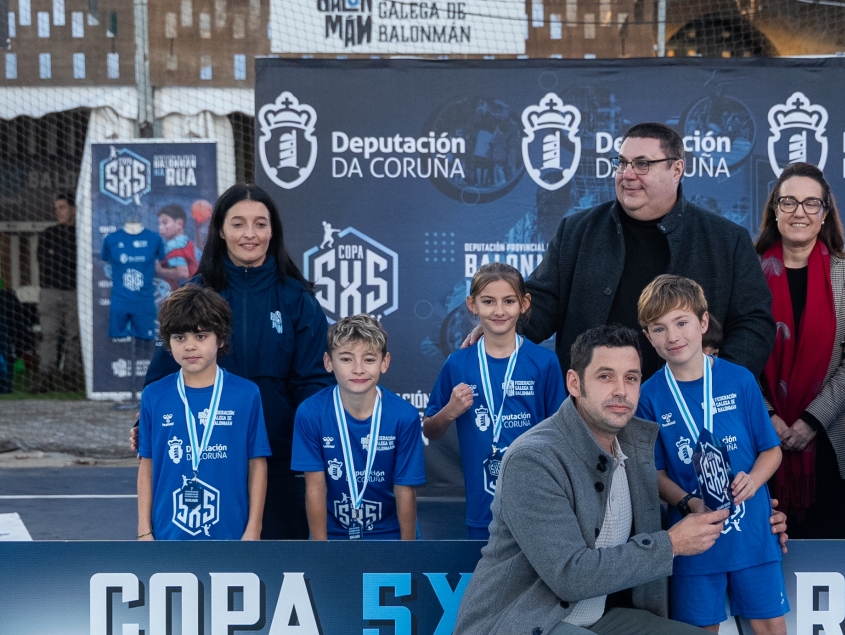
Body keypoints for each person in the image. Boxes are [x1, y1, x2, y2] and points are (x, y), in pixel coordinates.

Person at [447, 324, 739, 635]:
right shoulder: (534, 457)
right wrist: (670, 544)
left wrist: (751, 516)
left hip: (588, 623)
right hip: (515, 626)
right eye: (605, 376)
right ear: (574, 383)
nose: (621, 391)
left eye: (632, 377)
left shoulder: (633, 447)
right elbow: (570, 575)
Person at [636, 275, 832, 635]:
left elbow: (770, 450)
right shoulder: (650, 395)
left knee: (772, 631)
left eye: (682, 322)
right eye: (659, 328)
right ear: (649, 337)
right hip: (695, 538)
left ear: (703, 323)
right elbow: (653, 472)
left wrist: (755, 480)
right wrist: (687, 500)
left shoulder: (739, 379)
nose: (673, 336)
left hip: (751, 536)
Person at [505, 121, 775, 381]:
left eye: (642, 164)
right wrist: (500, 328)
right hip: (591, 403)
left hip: (688, 404)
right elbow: (540, 303)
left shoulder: (727, 240)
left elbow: (754, 323)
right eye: (622, 163)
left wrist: (718, 382)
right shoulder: (576, 231)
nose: (627, 174)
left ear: (676, 170)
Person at [140, 183, 332, 540]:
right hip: (204, 463)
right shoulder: (193, 294)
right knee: (203, 570)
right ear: (220, 230)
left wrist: (307, 438)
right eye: (238, 223)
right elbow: (163, 376)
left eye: (260, 224)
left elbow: (315, 381)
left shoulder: (297, 298)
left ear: (273, 231)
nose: (249, 234)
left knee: (276, 566)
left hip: (278, 461)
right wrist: (145, 423)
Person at [755, 164, 845, 541]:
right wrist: (769, 417)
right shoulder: (749, 271)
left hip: (830, 444)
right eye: (788, 202)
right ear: (775, 210)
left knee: (826, 556)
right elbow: (737, 358)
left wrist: (811, 420)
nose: (799, 212)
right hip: (760, 444)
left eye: (811, 203)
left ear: (825, 214)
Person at [424, 263, 566, 540]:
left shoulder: (544, 362)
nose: (499, 311)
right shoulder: (457, 363)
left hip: (536, 507)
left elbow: (560, 434)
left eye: (509, 301)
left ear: (524, 303)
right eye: (488, 301)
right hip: (482, 509)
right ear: (472, 305)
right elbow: (430, 430)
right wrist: (450, 410)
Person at [135, 287, 269, 542]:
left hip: (232, 534)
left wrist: (254, 528)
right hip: (167, 534)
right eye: (179, 337)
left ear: (220, 338)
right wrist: (144, 530)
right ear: (168, 342)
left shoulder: (246, 394)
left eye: (201, 336)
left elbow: (257, 463)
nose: (190, 346)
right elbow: (147, 465)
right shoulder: (154, 395)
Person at [292, 314, 424, 541]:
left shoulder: (404, 415)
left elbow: (405, 490)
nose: (358, 369)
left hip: (389, 534)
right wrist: (320, 550)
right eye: (346, 359)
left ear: (385, 362)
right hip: (332, 534)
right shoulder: (311, 412)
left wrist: (408, 551)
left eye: (369, 359)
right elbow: (315, 488)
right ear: (328, 362)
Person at [36, 193, 82, 390]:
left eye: (62, 207)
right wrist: (65, 260)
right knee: (49, 334)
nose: (58, 212)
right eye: (56, 209)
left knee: (74, 335)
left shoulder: (82, 234)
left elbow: (75, 261)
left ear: (73, 209)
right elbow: (43, 260)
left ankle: (70, 375)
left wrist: (60, 259)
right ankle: (45, 375)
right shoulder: (48, 233)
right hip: (50, 291)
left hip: (74, 291)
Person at [154, 204, 200, 297]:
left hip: (183, 295)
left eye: (165, 223)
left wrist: (159, 270)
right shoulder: (187, 242)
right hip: (195, 293)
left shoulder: (174, 245)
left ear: (179, 224)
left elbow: (183, 273)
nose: (160, 227)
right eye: (159, 224)